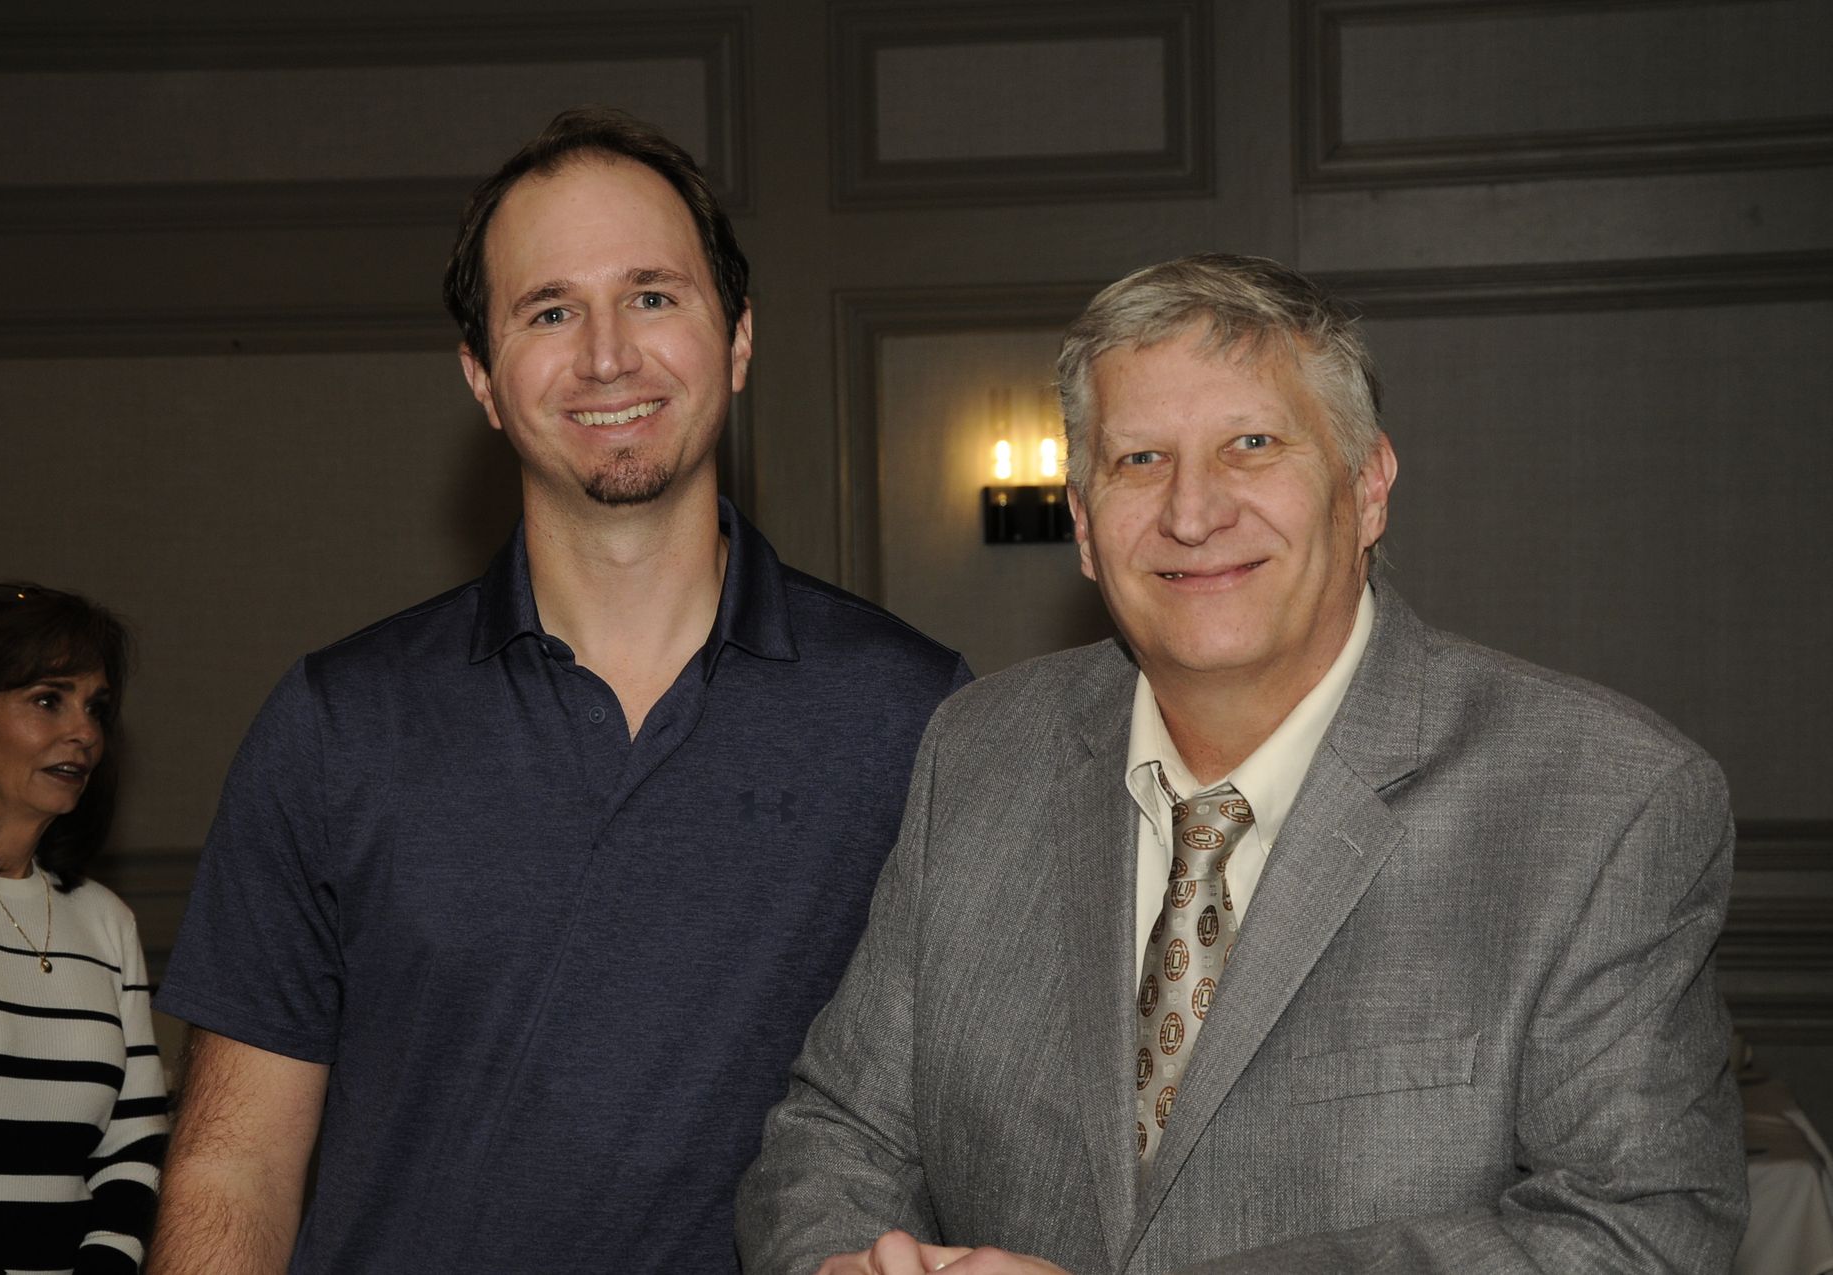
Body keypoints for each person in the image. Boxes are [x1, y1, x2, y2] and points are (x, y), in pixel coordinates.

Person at [736, 254, 1747, 1274]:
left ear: (1368, 487)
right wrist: (844, 1263)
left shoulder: (1604, 805)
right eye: (1138, 461)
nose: (1191, 512)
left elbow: (1638, 1235)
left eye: (1252, 445)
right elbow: (839, 1136)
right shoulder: (978, 751)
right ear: (1083, 527)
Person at [146, 107, 969, 1274]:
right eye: (549, 310)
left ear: (737, 339)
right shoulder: (339, 723)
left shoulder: (917, 714)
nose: (606, 356)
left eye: (652, 295)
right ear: (483, 377)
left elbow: (972, 1129)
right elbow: (236, 1164)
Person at [0, 582, 169, 1274]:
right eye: (49, 699)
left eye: (95, 707)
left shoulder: (104, 919)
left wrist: (106, 1262)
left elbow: (135, 1144)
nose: (84, 731)